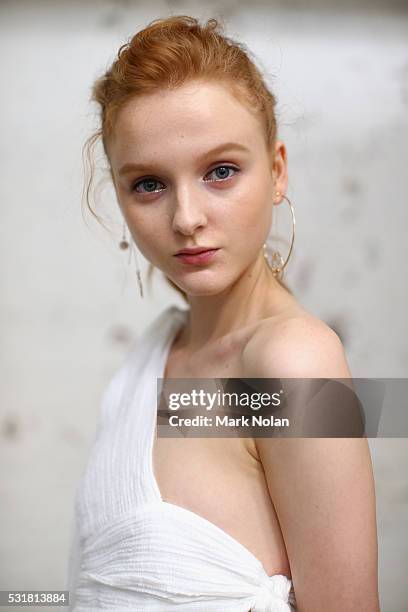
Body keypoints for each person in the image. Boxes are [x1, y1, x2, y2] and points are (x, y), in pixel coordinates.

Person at [66, 15, 380, 611]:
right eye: (150, 184)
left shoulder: (294, 363)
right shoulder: (157, 350)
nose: (186, 217)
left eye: (221, 172)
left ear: (278, 171)